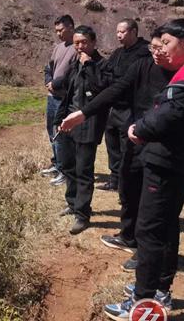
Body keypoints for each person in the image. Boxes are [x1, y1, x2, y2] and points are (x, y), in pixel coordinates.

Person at [101, 19, 184, 321]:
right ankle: (159, 290)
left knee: (149, 229)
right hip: (175, 156)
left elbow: (170, 113)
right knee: (167, 224)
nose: (163, 50)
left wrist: (139, 128)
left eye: (168, 43)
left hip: (169, 160)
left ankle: (142, 302)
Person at [60, 29, 175, 271]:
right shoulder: (141, 65)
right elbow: (115, 89)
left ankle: (147, 256)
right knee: (127, 186)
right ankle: (128, 236)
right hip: (133, 134)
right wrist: (80, 113)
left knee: (152, 203)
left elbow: (103, 87)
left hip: (159, 143)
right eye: (153, 47)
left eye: (161, 47)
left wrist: (90, 70)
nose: (155, 52)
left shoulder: (180, 74)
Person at [52, 26, 108, 235]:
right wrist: (59, 118)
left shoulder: (101, 64)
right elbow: (68, 93)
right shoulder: (74, 63)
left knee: (84, 170)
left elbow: (103, 89)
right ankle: (73, 203)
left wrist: (90, 65)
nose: (80, 47)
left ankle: (82, 215)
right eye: (76, 43)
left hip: (88, 124)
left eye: (84, 42)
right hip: (69, 122)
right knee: (67, 166)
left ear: (93, 43)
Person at [98, 19, 150, 192]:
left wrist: (115, 79)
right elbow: (107, 72)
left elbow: (130, 80)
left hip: (131, 107)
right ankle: (114, 180)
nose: (118, 35)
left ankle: (126, 184)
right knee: (112, 144)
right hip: (114, 106)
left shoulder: (144, 52)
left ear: (134, 31)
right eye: (117, 32)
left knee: (127, 148)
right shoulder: (118, 53)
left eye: (122, 32)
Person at [41, 15, 76, 177]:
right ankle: (57, 163)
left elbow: (74, 75)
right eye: (56, 31)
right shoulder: (58, 47)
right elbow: (49, 68)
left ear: (70, 27)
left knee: (61, 133)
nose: (58, 34)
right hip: (51, 96)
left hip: (64, 98)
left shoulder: (77, 48)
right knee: (51, 130)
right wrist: (49, 81)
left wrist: (56, 84)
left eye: (61, 30)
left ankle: (65, 169)